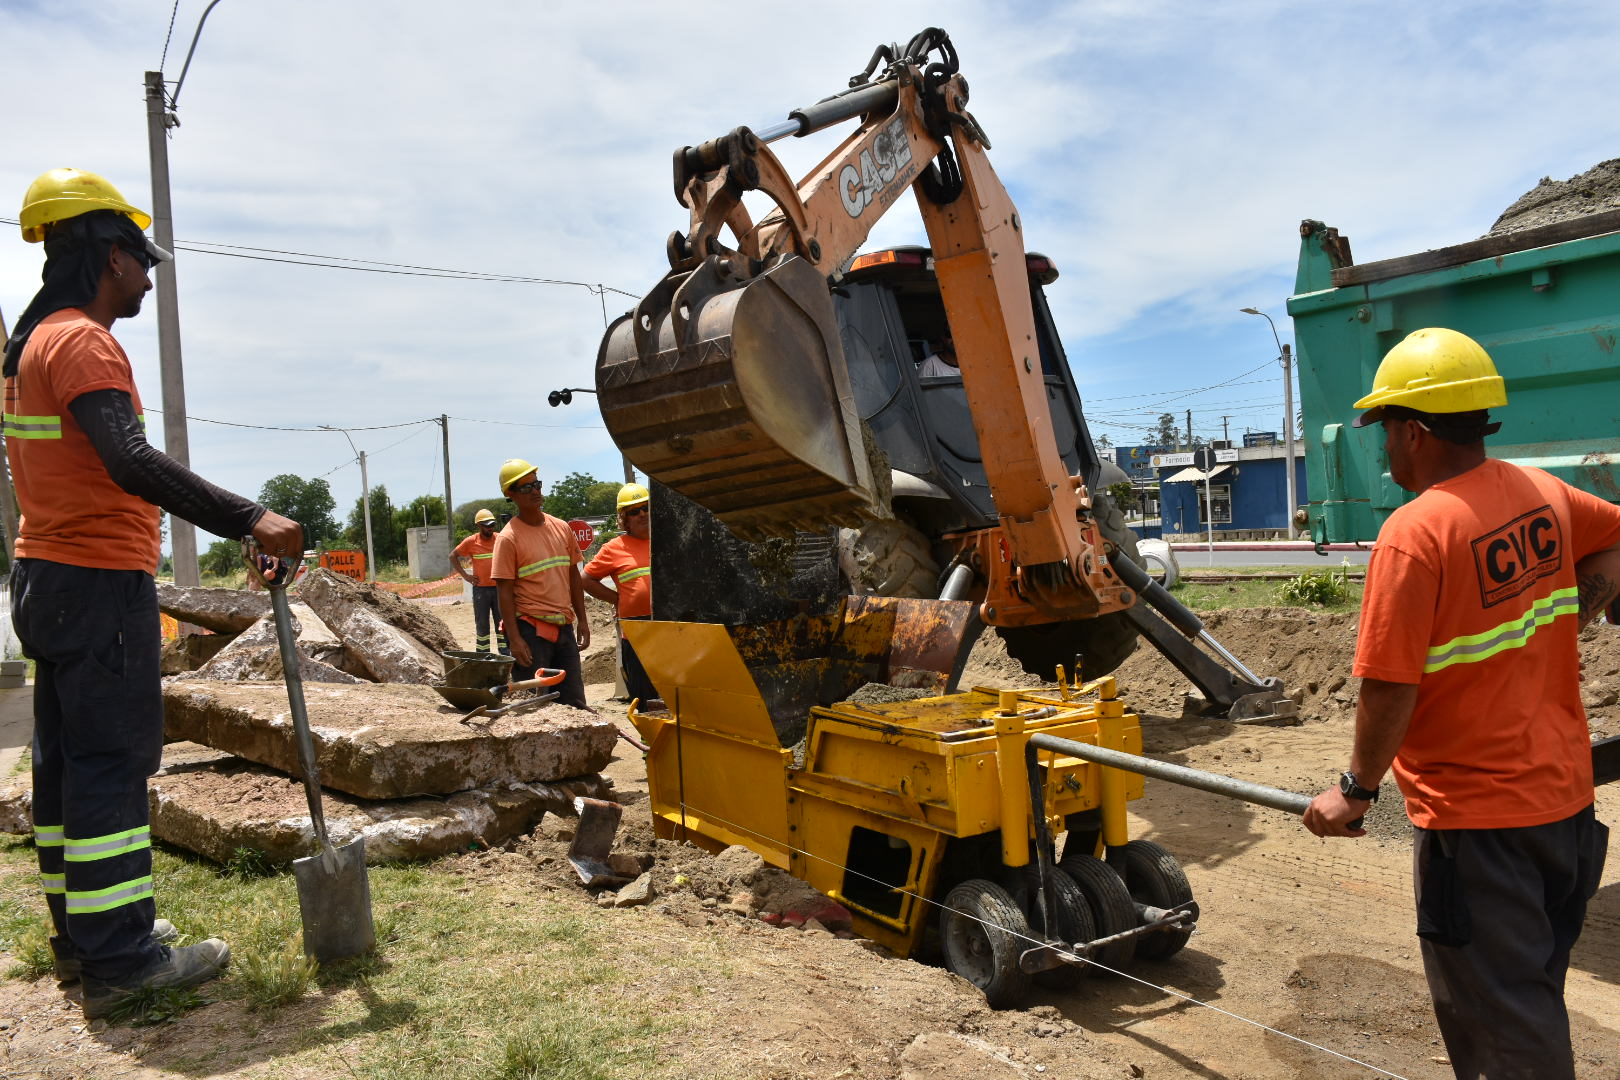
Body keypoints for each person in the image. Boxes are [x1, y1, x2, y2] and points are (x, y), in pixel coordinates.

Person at [4, 168, 302, 1018]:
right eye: (141, 259)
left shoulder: (27, 348)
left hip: (47, 577)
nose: (147, 274)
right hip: (99, 585)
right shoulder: (84, 343)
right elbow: (128, 458)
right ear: (106, 255)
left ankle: (86, 938)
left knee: (65, 768)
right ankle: (124, 961)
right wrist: (252, 517)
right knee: (110, 766)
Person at [1301, 327, 1620, 1080]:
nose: (1383, 447)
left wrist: (1355, 792)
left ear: (1415, 431)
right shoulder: (1541, 493)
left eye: (1384, 429)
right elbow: (1614, 539)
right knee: (1529, 996)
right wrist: (1589, 603)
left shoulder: (1414, 534)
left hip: (1482, 834)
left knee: (1506, 1038)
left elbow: (1388, 686)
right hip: (1564, 813)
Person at [490, 459, 590, 709]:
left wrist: (583, 621)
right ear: (511, 494)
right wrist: (514, 639)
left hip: (564, 628)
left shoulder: (561, 528)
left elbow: (574, 577)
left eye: (536, 484)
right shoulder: (508, 538)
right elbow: (504, 593)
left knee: (574, 703)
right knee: (533, 708)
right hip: (531, 634)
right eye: (525, 487)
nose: (535, 491)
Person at [582, 482, 656, 703]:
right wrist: (618, 599)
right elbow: (586, 579)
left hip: (669, 623)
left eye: (646, 507)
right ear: (625, 519)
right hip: (636, 629)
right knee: (644, 693)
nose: (642, 514)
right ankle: (648, 736)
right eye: (634, 511)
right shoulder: (615, 547)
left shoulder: (666, 540)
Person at [452, 508, 506, 654]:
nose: (490, 528)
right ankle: (483, 655)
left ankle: (505, 653)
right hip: (481, 591)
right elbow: (453, 556)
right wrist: (466, 576)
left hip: (499, 589)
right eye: (487, 525)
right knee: (482, 624)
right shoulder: (471, 541)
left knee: (502, 623)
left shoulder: (501, 539)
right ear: (479, 526)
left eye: (492, 525)